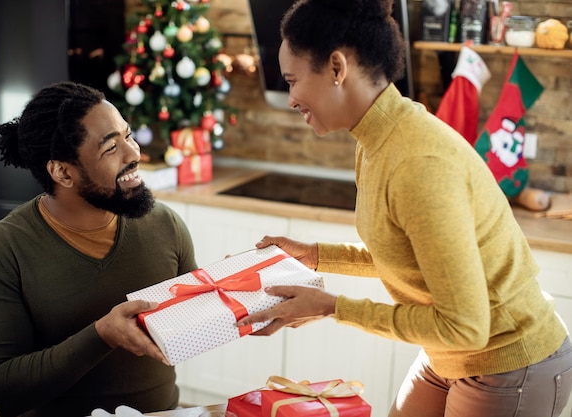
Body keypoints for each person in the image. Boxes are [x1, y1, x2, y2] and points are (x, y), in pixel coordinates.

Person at [236, 0, 572, 416]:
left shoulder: (417, 163)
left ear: (338, 68)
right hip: (450, 351)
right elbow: (407, 255)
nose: (290, 98)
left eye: (293, 81)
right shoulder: (375, 138)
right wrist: (316, 255)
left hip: (508, 358)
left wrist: (332, 307)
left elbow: (466, 326)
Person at [0, 81, 197, 417]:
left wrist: (228, 287)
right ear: (62, 172)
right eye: (111, 148)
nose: (135, 154)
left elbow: (191, 321)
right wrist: (102, 335)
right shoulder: (3, 250)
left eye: (128, 136)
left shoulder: (164, 223)